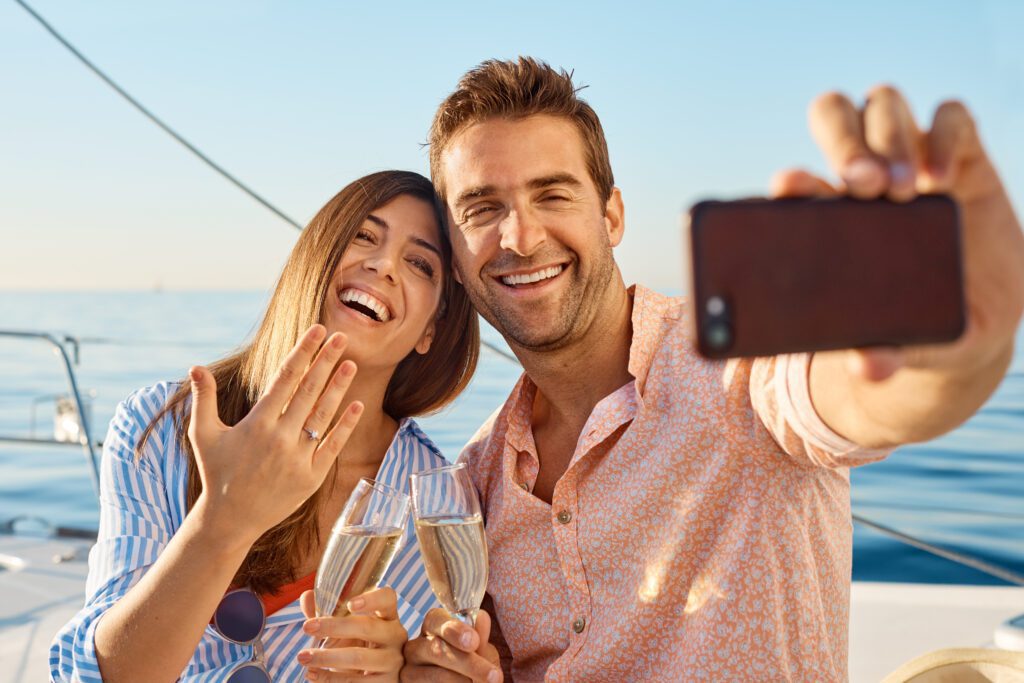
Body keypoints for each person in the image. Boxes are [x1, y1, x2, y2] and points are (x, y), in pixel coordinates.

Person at [400, 58, 1024, 681]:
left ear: (612, 216)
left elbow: (865, 396)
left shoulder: (741, 370)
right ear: (455, 258)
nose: (520, 235)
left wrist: (948, 342)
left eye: (552, 194)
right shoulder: (476, 479)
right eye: (482, 208)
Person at [50, 170, 480, 682]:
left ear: (431, 329)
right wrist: (223, 520)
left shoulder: (433, 503)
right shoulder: (161, 428)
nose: (383, 264)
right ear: (315, 257)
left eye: (419, 263)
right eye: (364, 235)